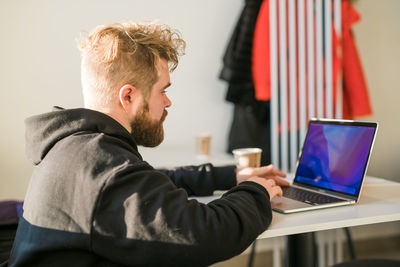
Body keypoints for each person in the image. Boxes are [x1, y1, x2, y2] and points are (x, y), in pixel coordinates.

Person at [6, 21, 288, 267]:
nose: (168, 102)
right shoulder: (104, 167)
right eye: (162, 90)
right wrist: (256, 192)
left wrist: (231, 176)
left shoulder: (81, 148)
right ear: (128, 96)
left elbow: (149, 182)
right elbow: (205, 233)